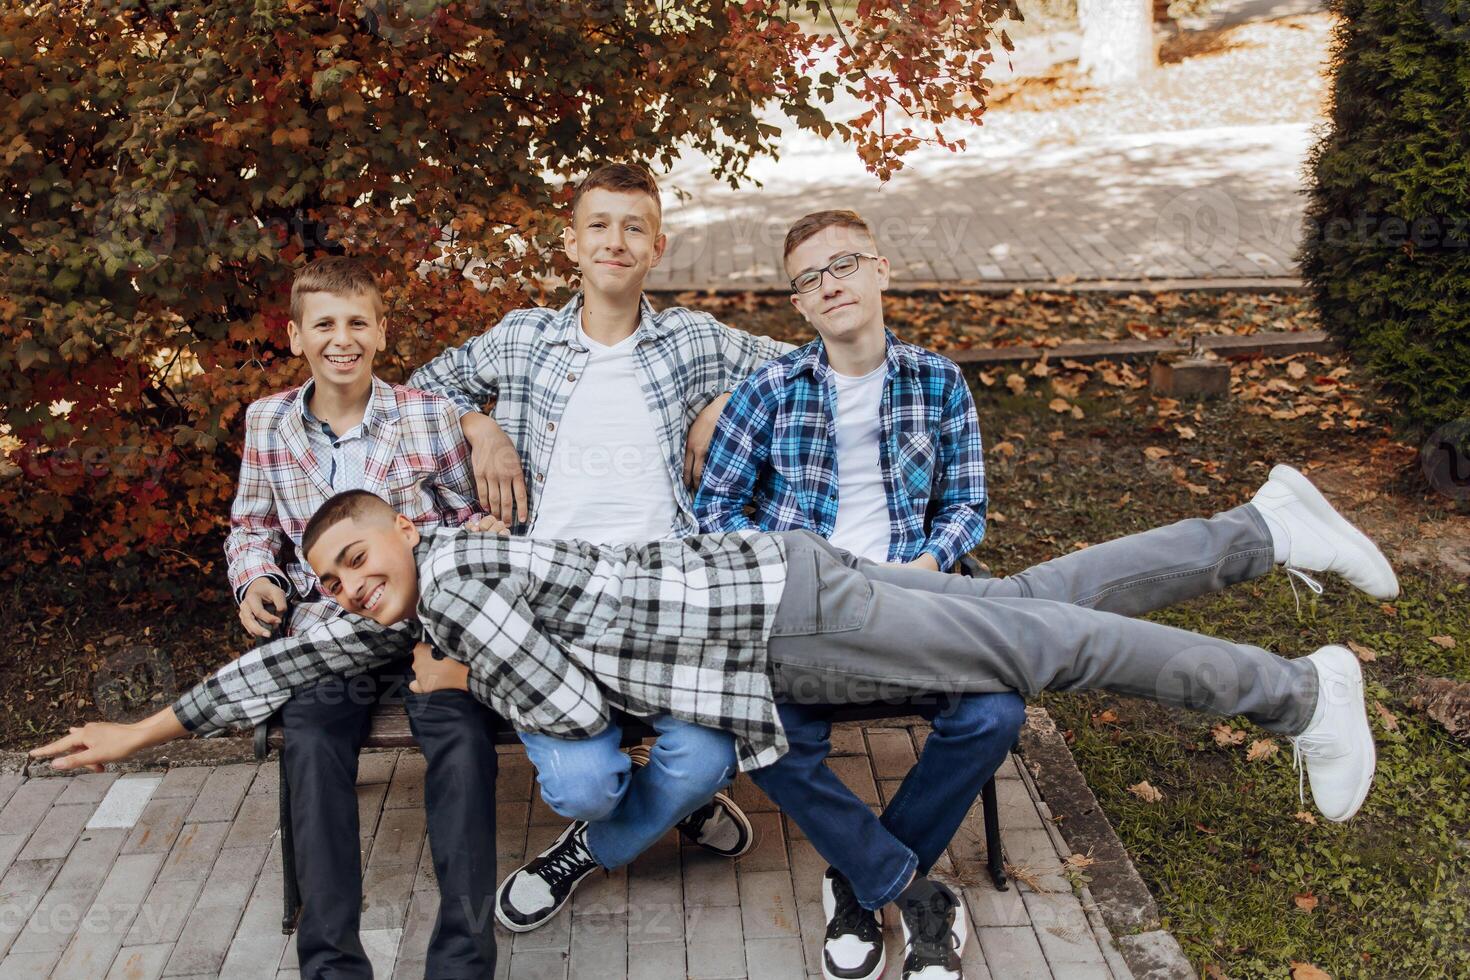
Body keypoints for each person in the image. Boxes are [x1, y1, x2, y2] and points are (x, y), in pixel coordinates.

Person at [38, 467, 1394, 980]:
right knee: (1035, 603)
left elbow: (570, 707)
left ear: (401, 526)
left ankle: (1295, 694)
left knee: (1043, 650)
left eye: (356, 559)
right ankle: (1259, 525)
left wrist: (458, 670)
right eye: (331, 580)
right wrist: (143, 731)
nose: (347, 589)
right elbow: (275, 671)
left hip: (778, 623)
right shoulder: (411, 587)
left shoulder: (449, 585)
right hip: (773, 591)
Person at [404, 162, 797, 932]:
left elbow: (801, 372)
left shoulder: (692, 338)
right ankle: (659, 814)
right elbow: (421, 390)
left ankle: (578, 856)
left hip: (668, 598)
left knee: (708, 760)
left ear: (658, 245)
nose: (614, 241)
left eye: (633, 227)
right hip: (549, 607)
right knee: (585, 785)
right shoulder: (522, 337)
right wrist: (477, 424)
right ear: (571, 244)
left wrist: (724, 402)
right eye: (598, 225)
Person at [696, 208, 1025, 980]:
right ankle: (910, 892)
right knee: (765, 732)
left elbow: (966, 506)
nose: (829, 284)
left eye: (843, 264)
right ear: (800, 306)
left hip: (912, 603)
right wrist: (790, 571)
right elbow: (713, 512)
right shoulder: (769, 390)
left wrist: (930, 564)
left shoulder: (939, 381)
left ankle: (856, 878)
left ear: (880, 270)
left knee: (994, 714)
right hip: (805, 615)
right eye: (810, 278)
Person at [222, 256, 502, 979]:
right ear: (295, 336)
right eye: (323, 325)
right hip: (327, 626)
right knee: (311, 741)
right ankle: (332, 964)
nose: (340, 339)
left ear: (381, 331)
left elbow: (466, 515)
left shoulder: (425, 415)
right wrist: (254, 578)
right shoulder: (268, 423)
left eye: (356, 323)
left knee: (462, 740)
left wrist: (469, 539)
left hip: (424, 622)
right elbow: (251, 525)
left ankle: (463, 961)